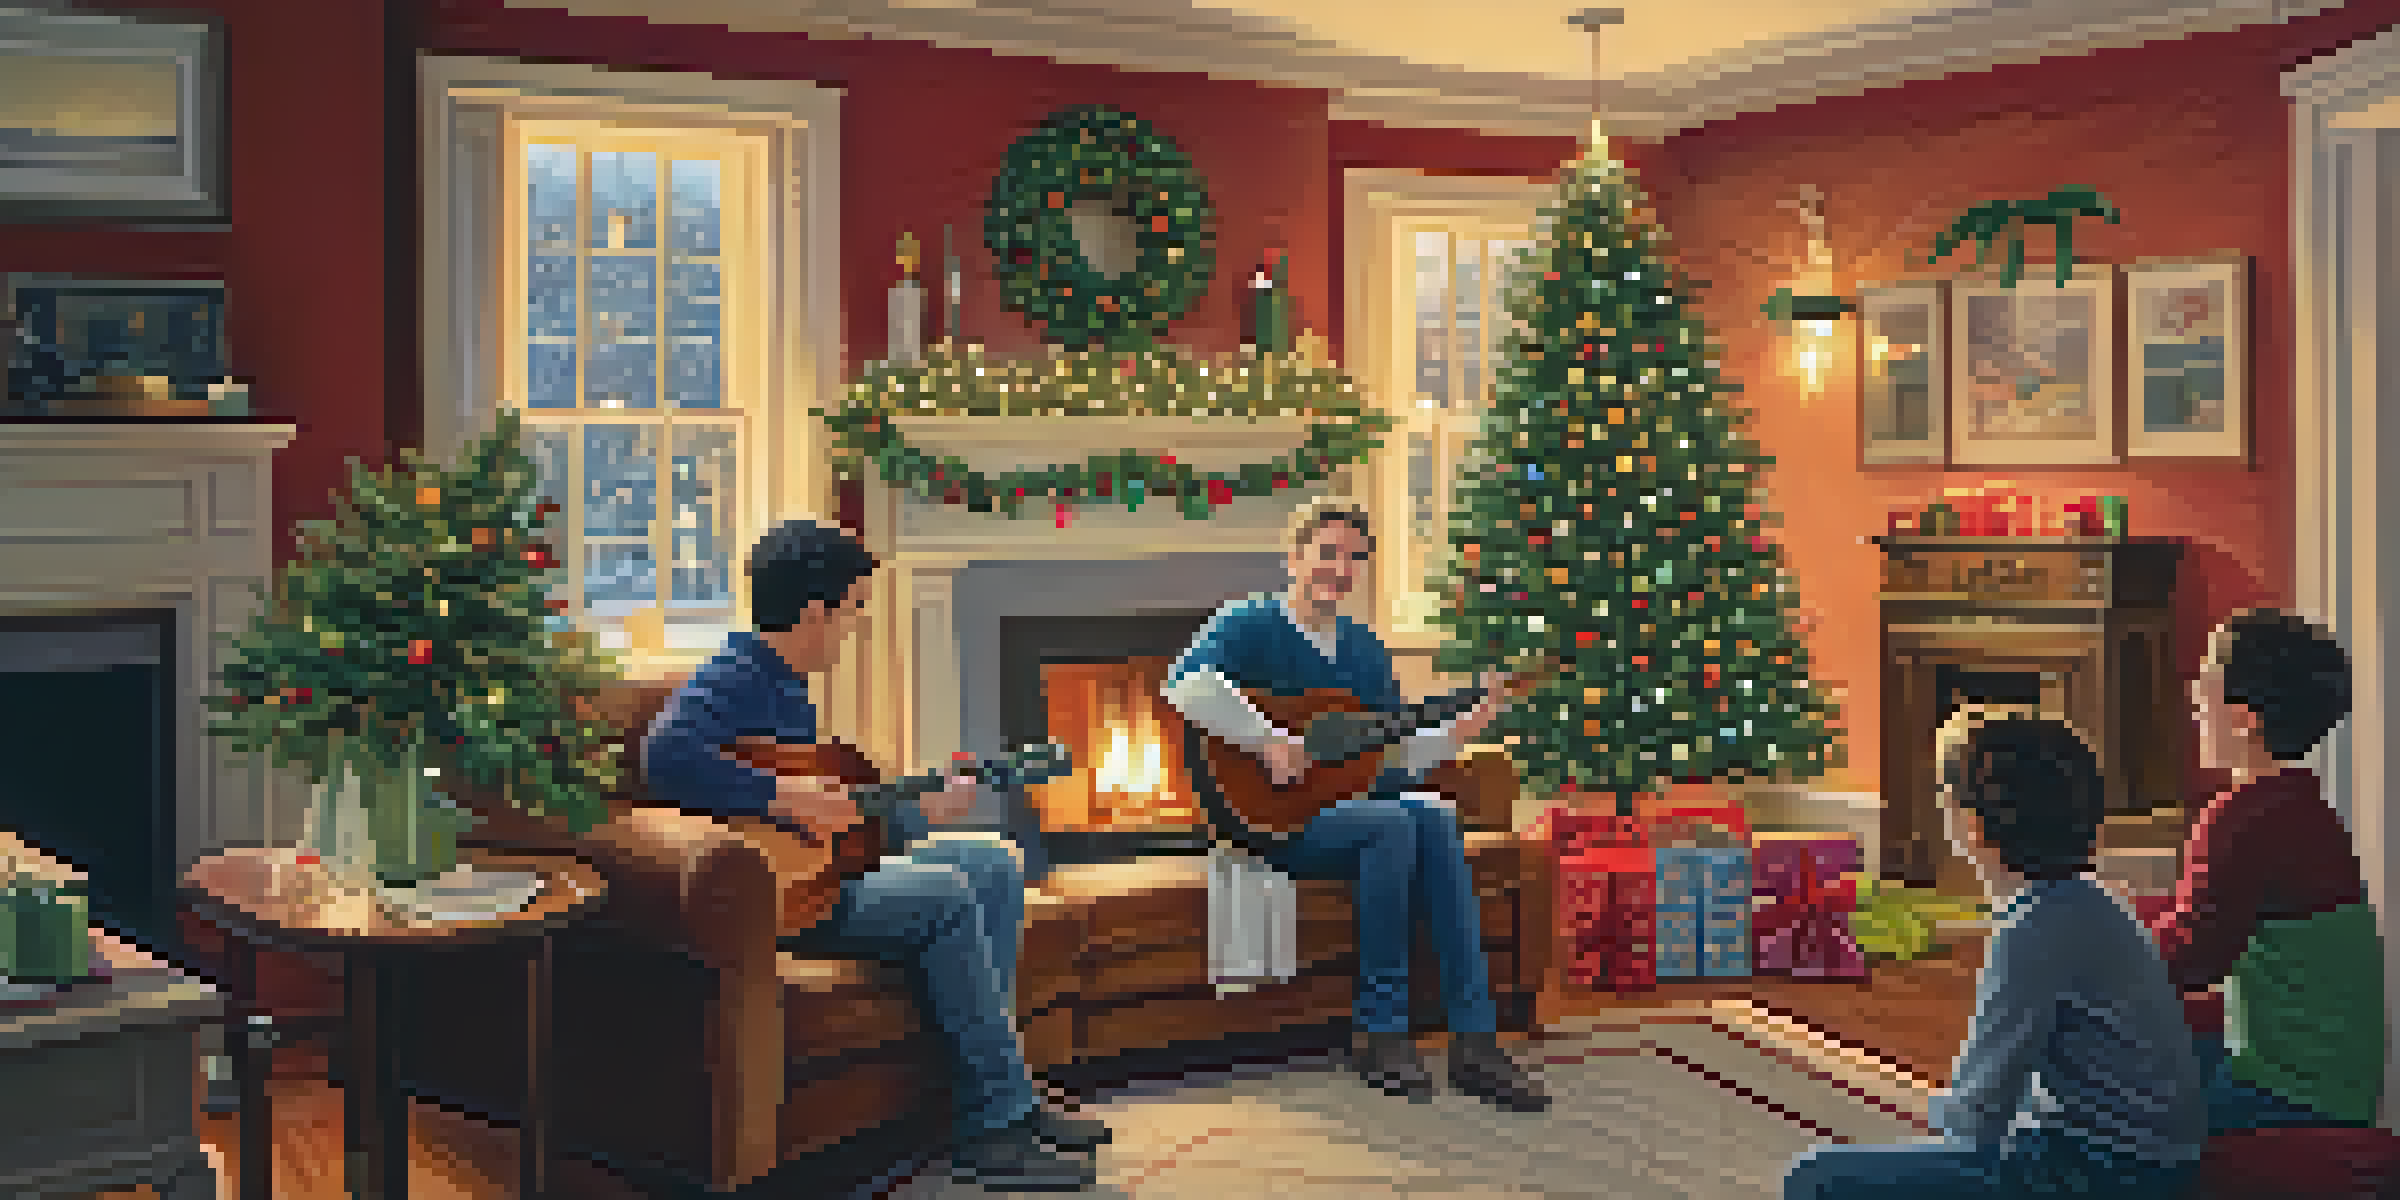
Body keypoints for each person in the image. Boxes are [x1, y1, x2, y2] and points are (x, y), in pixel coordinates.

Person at [644, 519, 1108, 1191]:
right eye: (854, 608)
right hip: (783, 902)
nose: (856, 625)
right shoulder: (737, 674)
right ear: (815, 612)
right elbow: (666, 755)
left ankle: (992, 1100)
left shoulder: (785, 683)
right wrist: (782, 797)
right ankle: (997, 1124)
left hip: (820, 878)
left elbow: (842, 835)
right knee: (946, 893)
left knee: (994, 862)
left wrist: (919, 816)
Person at [1159, 498, 1549, 1111]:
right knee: (1393, 824)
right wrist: (1264, 739)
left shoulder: (1366, 651)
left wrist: (1456, 734)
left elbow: (1384, 762)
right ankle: (1381, 1030)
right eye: (1327, 553)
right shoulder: (1245, 625)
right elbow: (1186, 686)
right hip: (1268, 822)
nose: (1340, 569)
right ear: (1294, 558)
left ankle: (1476, 1039)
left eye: (1353, 558)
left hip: (1349, 816)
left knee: (1435, 816)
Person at [1782, 716, 2205, 1199]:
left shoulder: (2034, 929)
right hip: (2147, 1155)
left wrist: (1926, 1112)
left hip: (2103, 1170)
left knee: (1815, 1178)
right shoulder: (2087, 904)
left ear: (1973, 824)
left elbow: (1976, 1120)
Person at [2139, 609, 2384, 1133]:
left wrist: (2101, 940)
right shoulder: (2302, 806)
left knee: (2110, 1097)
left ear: (2245, 715)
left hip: (2285, 1091)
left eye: (2204, 682)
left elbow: (2188, 958)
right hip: (2336, 1080)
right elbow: (2214, 914)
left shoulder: (2238, 820)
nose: (2192, 699)